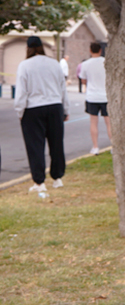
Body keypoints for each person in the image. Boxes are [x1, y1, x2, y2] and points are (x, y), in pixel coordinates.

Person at [13, 36, 69, 192]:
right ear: (42, 47)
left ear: (28, 48)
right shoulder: (54, 63)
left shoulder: (24, 65)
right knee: (57, 143)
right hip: (55, 106)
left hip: (33, 108)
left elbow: (21, 91)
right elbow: (62, 88)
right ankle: (57, 178)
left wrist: (20, 110)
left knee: (35, 146)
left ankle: (39, 182)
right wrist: (66, 109)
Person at [80, 42, 112, 155]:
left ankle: (95, 147)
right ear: (100, 50)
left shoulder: (85, 64)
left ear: (90, 50)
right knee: (109, 123)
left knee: (93, 123)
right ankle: (113, 146)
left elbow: (83, 80)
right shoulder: (106, 62)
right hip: (105, 96)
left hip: (92, 97)